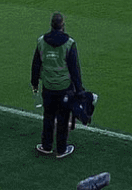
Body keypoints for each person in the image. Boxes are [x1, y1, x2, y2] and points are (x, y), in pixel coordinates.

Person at [30, 12, 82, 159]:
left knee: (48, 116)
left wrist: (34, 83)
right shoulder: (69, 43)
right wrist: (79, 90)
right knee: (63, 119)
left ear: (51, 25)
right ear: (62, 25)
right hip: (65, 88)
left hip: (48, 87)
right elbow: (74, 69)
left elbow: (36, 64)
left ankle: (46, 146)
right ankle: (61, 149)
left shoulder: (41, 41)